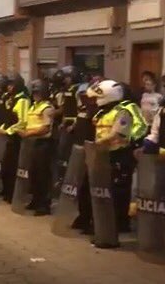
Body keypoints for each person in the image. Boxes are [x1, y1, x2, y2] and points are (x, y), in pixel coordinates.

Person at [87, 80, 148, 236]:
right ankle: (106, 222)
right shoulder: (104, 112)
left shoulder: (125, 110)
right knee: (106, 190)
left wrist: (131, 142)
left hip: (120, 154)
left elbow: (123, 132)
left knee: (119, 191)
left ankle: (120, 223)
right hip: (104, 155)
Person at [20, 79, 55, 216]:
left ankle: (44, 205)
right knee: (33, 174)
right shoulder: (34, 106)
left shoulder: (47, 108)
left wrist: (29, 133)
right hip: (32, 143)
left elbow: (45, 128)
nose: (36, 95)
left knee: (43, 175)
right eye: (34, 92)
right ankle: (35, 200)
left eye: (38, 92)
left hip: (43, 144)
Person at [0, 74, 30, 203]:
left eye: (12, 85)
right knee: (5, 167)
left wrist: (7, 131)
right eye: (8, 85)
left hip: (17, 138)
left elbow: (22, 122)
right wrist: (1, 129)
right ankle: (6, 191)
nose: (9, 87)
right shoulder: (12, 99)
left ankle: (12, 195)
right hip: (9, 137)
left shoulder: (22, 100)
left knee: (12, 167)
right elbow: (9, 118)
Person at [70, 83, 97, 234]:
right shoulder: (81, 109)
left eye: (86, 96)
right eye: (81, 96)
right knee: (80, 187)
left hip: (91, 152)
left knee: (88, 188)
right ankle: (82, 217)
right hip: (78, 151)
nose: (83, 99)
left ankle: (91, 220)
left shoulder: (96, 112)